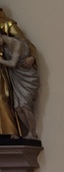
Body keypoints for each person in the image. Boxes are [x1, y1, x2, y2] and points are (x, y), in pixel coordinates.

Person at [0, 9, 39, 138]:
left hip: (9, 70)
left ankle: (12, 133)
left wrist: (33, 57)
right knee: (18, 106)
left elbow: (26, 43)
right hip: (10, 67)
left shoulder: (6, 24)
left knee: (9, 100)